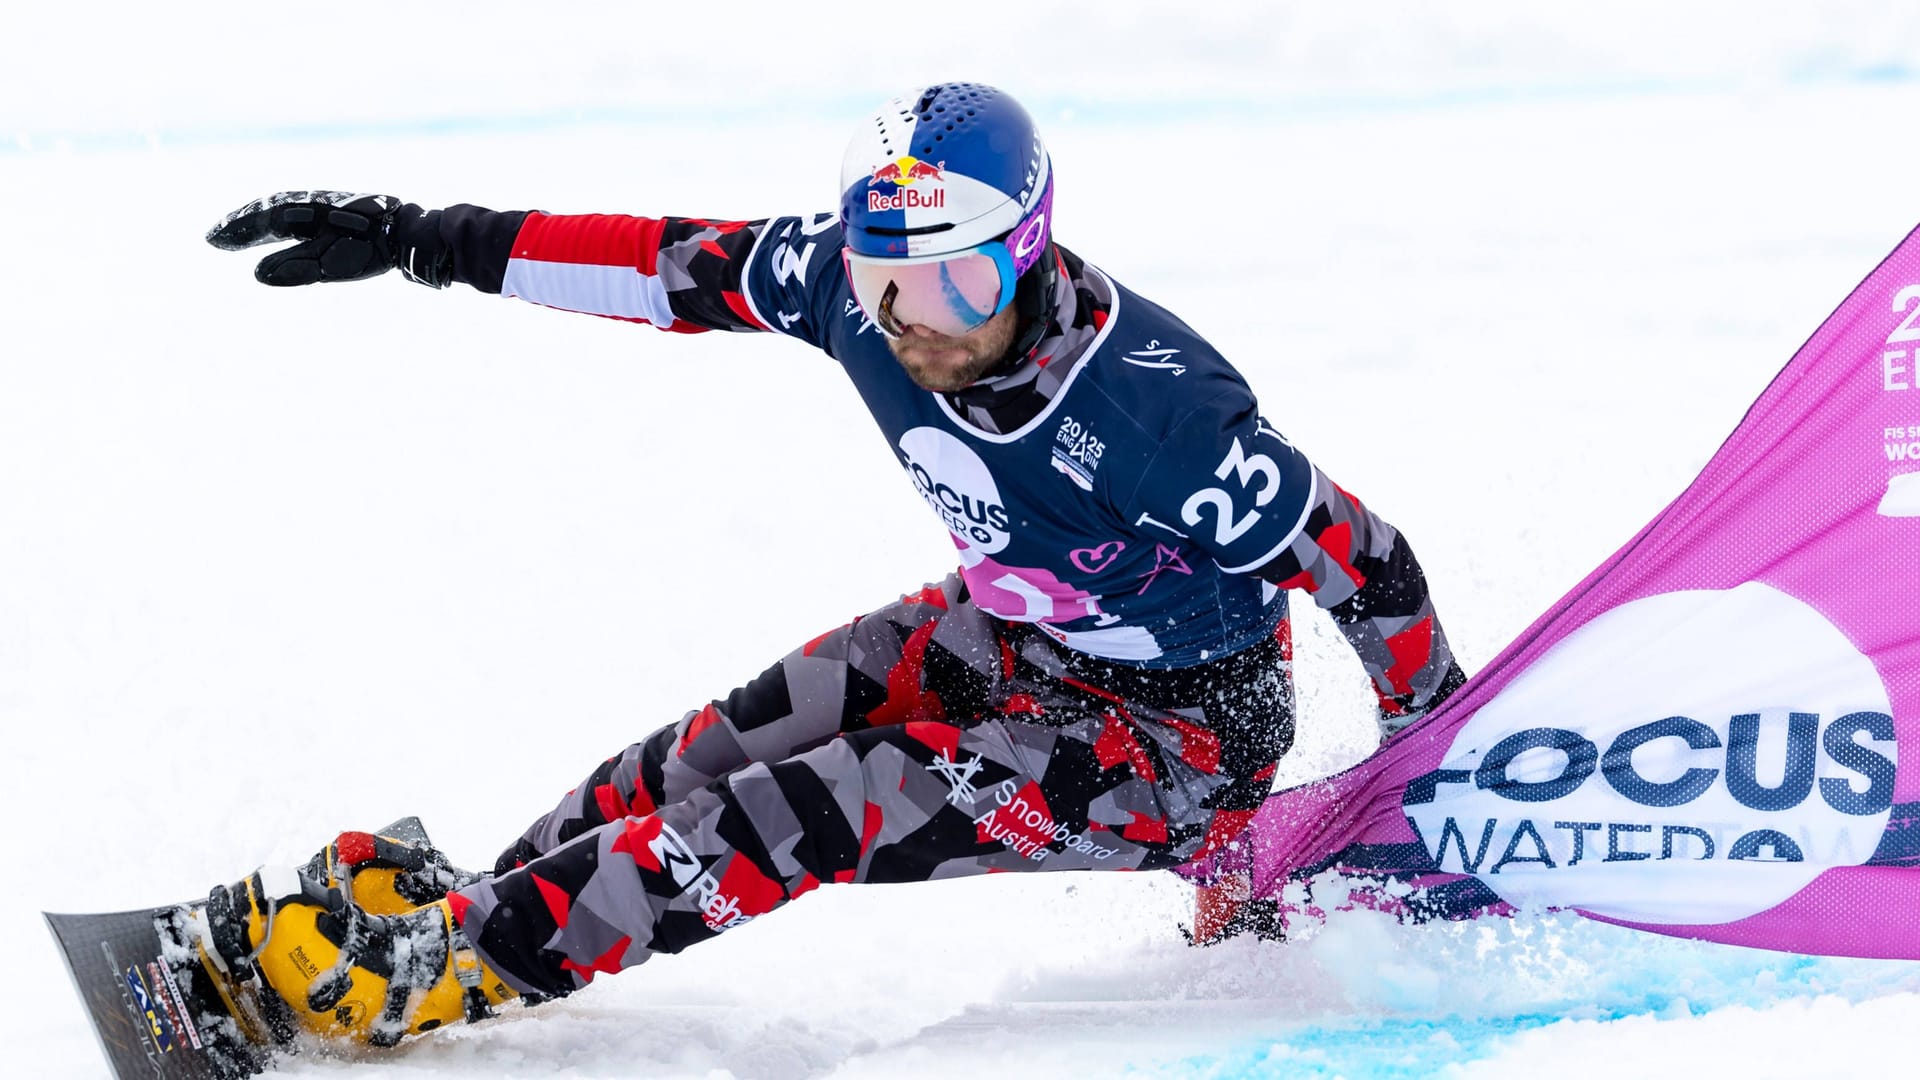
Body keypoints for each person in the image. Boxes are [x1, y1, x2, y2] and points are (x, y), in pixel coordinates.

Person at [197, 82, 1467, 1049]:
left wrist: (1433, 765)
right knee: (698, 757)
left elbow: (1368, 561)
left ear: (1025, 255)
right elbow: (661, 265)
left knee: (813, 808)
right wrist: (430, 239)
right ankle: (490, 904)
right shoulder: (856, 288)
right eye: (885, 277)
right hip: (1016, 633)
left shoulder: (1152, 419)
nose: (913, 318)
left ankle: (447, 971)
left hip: (1177, 745)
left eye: (957, 282)